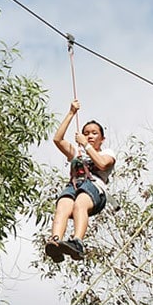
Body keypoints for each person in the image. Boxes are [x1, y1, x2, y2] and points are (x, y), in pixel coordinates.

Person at [45, 99, 116, 262]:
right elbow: (57, 139)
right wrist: (71, 113)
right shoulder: (76, 152)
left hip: (93, 187)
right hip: (74, 185)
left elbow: (102, 164)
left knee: (80, 203)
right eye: (86, 133)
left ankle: (77, 242)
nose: (90, 136)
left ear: (102, 139)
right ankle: (55, 242)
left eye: (94, 133)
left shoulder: (108, 152)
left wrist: (86, 145)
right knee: (62, 205)